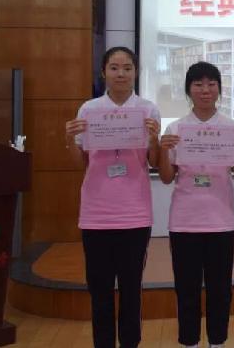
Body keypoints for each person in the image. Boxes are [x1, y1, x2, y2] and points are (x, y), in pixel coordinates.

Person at [64, 46, 161, 348]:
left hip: (135, 214)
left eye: (127, 68)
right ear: (103, 72)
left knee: (131, 290)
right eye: (114, 68)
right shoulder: (89, 110)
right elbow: (80, 164)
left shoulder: (148, 110)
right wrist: (69, 140)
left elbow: (155, 162)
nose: (121, 74)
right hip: (96, 214)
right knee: (100, 291)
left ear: (136, 72)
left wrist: (155, 139)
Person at [157, 61, 234, 348]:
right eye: (198, 84)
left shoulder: (232, 128)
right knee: (186, 289)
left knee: (220, 290)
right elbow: (166, 177)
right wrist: (162, 150)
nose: (205, 89)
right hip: (184, 221)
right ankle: (189, 342)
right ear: (188, 90)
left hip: (221, 221)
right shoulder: (176, 128)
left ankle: (217, 342)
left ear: (219, 89)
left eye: (211, 84)